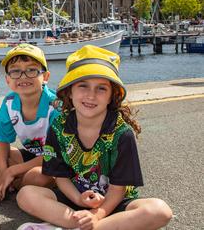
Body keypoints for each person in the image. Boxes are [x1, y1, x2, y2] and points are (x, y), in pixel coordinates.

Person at [16, 45, 173, 230]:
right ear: (70, 92)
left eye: (101, 88)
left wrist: (97, 215)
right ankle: (81, 225)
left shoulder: (122, 133)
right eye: (83, 85)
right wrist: (78, 198)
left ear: (111, 96)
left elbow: (118, 189)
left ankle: (81, 226)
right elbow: (60, 176)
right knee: (26, 194)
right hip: (74, 198)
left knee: (160, 211)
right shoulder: (58, 127)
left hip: (113, 205)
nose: (91, 95)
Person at [0, 43, 58, 202]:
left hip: (54, 159)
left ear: (45, 76)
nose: (23, 76)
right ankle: (15, 183)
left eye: (32, 70)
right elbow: (3, 140)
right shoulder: (9, 102)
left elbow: (56, 154)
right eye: (16, 71)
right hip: (30, 156)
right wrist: (0, 170)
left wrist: (11, 171)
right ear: (7, 79)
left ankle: (14, 181)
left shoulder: (55, 107)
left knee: (39, 178)